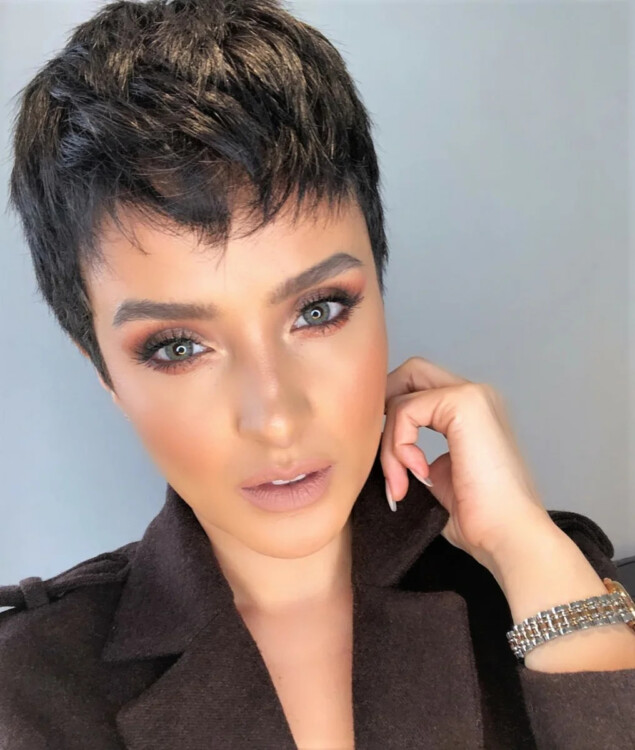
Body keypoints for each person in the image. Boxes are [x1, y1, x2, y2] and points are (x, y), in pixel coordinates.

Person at [1, 1, 634, 748]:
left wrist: (527, 551)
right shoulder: (28, 688)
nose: (276, 417)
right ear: (106, 374)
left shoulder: (536, 583)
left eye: (317, 310)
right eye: (177, 347)